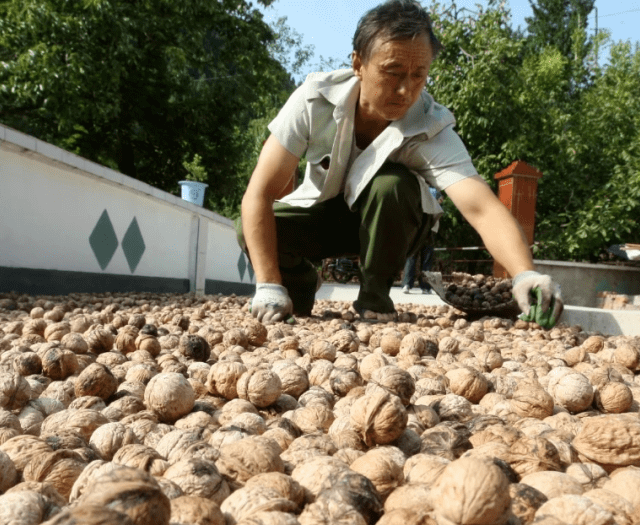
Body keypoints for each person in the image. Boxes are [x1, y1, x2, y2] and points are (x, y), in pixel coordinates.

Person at [237, 0, 563, 324]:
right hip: (326, 218)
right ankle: (296, 286)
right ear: (358, 63)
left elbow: (482, 208)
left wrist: (524, 274)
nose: (406, 90)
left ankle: (375, 298)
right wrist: (267, 284)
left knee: (391, 184)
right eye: (393, 72)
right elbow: (259, 193)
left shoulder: (430, 127)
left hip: (394, 224)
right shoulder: (314, 100)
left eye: (419, 75)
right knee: (252, 227)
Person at [402, 187, 440, 293]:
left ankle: (410, 285)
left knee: (414, 257)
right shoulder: (433, 191)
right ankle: (422, 287)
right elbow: (439, 206)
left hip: (421, 227)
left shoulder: (416, 188)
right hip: (424, 227)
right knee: (420, 258)